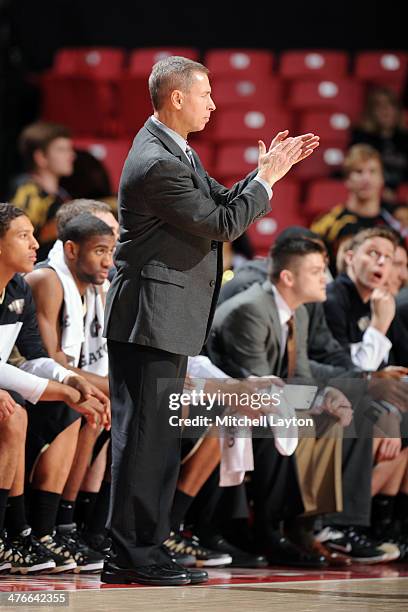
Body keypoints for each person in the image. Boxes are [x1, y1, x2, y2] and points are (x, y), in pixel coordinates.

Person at [102, 55, 320, 587]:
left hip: (164, 316)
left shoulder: (173, 149)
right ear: (176, 98)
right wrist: (266, 182)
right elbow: (223, 222)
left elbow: (220, 200)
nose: (214, 104)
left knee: (157, 438)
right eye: (206, 94)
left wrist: (261, 175)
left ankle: (144, 549)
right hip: (149, 316)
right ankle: (131, 554)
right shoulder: (157, 161)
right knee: (145, 439)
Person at [0, 203, 110, 573]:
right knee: (17, 413)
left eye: (33, 234)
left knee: (77, 404)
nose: (35, 243)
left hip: (10, 384)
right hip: (8, 390)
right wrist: (63, 388)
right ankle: (15, 531)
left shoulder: (17, 287)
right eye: (23, 235)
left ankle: (40, 532)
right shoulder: (45, 281)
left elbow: (34, 355)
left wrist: (71, 381)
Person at [311, 144, 408, 273]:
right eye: (359, 172)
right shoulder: (328, 222)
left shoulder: (395, 221)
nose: (366, 179)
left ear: (382, 178)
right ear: (347, 179)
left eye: (373, 171)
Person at [10, 122, 75, 259]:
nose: (71, 155)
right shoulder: (27, 191)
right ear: (41, 157)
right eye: (61, 150)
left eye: (69, 149)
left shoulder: (61, 194)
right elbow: (17, 236)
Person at [350, 87, 408, 202]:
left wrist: (396, 188)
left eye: (390, 105)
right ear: (371, 112)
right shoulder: (361, 138)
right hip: (371, 196)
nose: (386, 111)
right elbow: (355, 169)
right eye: (380, 106)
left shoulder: (405, 139)